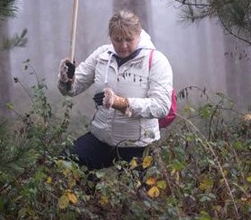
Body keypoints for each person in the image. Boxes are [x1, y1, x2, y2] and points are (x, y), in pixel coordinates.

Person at [57, 10, 174, 171]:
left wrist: (120, 102)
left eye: (128, 39)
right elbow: (72, 89)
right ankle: (91, 195)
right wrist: (66, 79)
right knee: (65, 163)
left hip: (137, 144)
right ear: (110, 36)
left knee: (133, 194)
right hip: (101, 138)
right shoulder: (102, 55)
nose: (123, 45)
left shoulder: (156, 61)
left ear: (138, 35)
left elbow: (161, 107)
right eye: (117, 40)